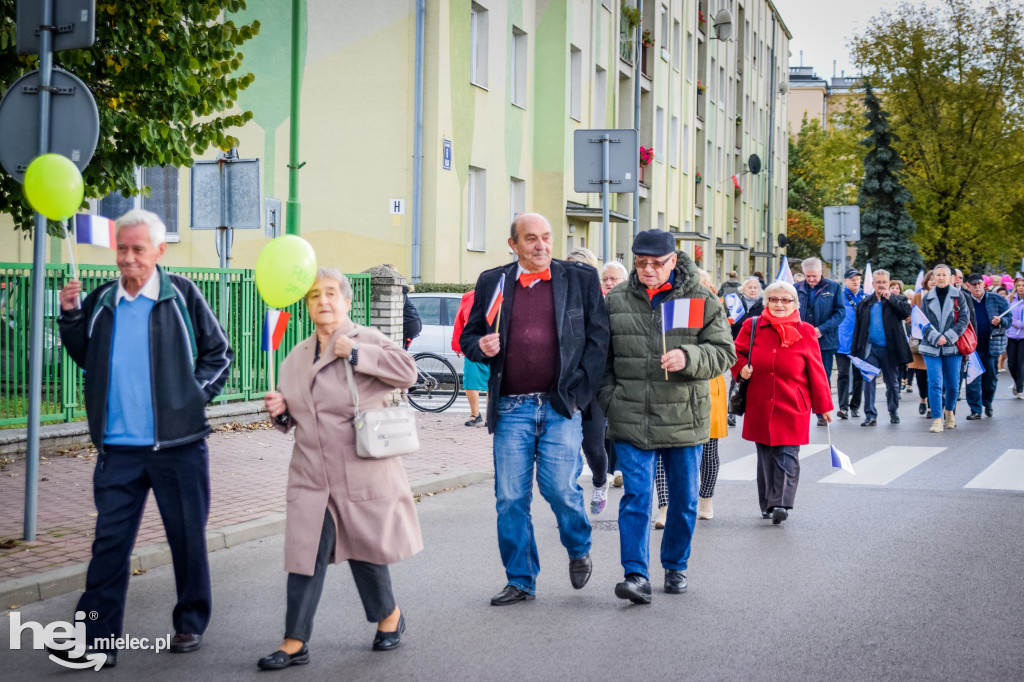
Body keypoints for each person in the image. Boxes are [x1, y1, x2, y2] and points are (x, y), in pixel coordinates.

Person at [53, 209, 234, 667]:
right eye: (122, 249)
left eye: (137, 249)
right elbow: (85, 357)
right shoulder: (102, 299)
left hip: (180, 448)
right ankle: (96, 639)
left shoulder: (183, 296)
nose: (128, 258)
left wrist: (193, 398)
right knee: (109, 545)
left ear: (159, 250)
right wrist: (71, 317)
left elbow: (219, 354)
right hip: (118, 449)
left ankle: (190, 620)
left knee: (186, 539)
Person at [258, 270, 421, 670]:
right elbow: (295, 417)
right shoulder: (295, 356)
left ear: (347, 302)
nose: (323, 301)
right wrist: (280, 414)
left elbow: (408, 373)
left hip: (359, 469)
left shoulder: (366, 339)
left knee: (366, 550)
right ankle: (295, 640)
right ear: (307, 304)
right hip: (311, 473)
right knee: (305, 554)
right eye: (315, 295)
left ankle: (390, 618)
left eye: (331, 294)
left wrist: (356, 354)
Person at [460, 213, 609, 606]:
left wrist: (577, 396)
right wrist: (481, 347)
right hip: (511, 407)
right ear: (513, 245)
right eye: (530, 239)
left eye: (546, 237)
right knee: (510, 498)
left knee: (560, 487)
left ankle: (578, 546)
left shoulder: (579, 279)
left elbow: (598, 341)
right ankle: (521, 578)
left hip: (561, 404)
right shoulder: (494, 282)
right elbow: (470, 336)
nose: (541, 245)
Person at [598, 230, 735, 604]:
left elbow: (724, 352)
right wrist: (610, 399)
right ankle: (636, 575)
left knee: (684, 500)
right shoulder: (616, 300)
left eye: (656, 264)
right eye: (641, 263)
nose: (648, 270)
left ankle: (675, 564)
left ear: (673, 261)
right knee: (637, 498)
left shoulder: (700, 298)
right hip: (631, 416)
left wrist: (689, 358)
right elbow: (602, 360)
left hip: (684, 418)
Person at [732, 281, 833, 524]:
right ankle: (767, 503)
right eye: (774, 299)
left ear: (794, 304)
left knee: (787, 453)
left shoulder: (806, 330)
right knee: (765, 453)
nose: (779, 304)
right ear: (767, 302)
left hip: (793, 402)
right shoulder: (752, 325)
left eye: (785, 300)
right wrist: (741, 369)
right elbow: (736, 352)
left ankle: (781, 504)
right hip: (759, 400)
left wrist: (824, 407)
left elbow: (817, 371)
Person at [652, 268, 730, 526]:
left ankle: (705, 498)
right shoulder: (670, 306)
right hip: (671, 387)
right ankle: (664, 506)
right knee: (663, 451)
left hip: (708, 386)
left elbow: (724, 352)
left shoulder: (714, 310)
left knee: (708, 450)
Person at [567, 247, 612, 513]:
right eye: (570, 265)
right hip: (566, 386)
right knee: (567, 447)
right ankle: (571, 499)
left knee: (593, 447)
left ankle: (599, 480)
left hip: (593, 386)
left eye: (581, 266)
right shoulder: (559, 299)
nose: (574, 271)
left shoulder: (602, 302)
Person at [850, 269, 912, 425]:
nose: (882, 285)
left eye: (884, 282)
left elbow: (905, 313)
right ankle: (870, 415)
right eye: (878, 282)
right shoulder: (865, 303)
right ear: (873, 284)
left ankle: (893, 411)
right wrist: (855, 352)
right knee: (868, 381)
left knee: (892, 382)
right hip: (870, 349)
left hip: (889, 350)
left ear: (889, 283)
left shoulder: (898, 300)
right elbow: (858, 328)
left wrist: (890, 298)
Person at [918, 264, 971, 433]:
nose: (941, 278)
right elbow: (922, 321)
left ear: (951, 278)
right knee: (935, 383)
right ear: (933, 278)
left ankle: (949, 412)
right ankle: (936, 419)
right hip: (931, 346)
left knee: (953, 384)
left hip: (952, 347)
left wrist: (947, 337)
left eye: (944, 275)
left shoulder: (959, 296)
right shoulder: (927, 298)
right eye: (938, 275)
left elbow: (964, 320)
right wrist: (936, 337)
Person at [794, 258, 845, 426]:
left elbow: (839, 313)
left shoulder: (833, 287)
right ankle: (800, 411)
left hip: (824, 341)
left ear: (820, 272)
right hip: (800, 341)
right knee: (799, 377)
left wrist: (821, 329)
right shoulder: (796, 289)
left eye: (814, 276)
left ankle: (822, 413)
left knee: (823, 377)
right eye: (808, 276)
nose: (811, 280)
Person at [964, 273, 1009, 419]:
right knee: (972, 380)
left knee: (990, 379)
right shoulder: (964, 301)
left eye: (979, 284)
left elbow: (1008, 318)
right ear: (968, 286)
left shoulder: (997, 299)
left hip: (991, 346)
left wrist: (1001, 321)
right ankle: (975, 410)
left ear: (984, 284)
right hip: (971, 348)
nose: (977, 287)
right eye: (974, 284)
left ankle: (987, 403)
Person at [600, 261, 629, 487]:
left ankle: (618, 468)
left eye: (613, 279)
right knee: (604, 425)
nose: (608, 283)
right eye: (605, 279)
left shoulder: (629, 304)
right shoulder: (597, 303)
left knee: (619, 424)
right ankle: (607, 468)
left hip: (624, 371)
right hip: (602, 373)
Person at [727, 277, 763, 427]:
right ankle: (732, 411)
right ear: (744, 289)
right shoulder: (735, 305)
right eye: (750, 287)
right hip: (738, 347)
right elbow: (725, 326)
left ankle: (754, 412)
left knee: (755, 381)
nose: (753, 290)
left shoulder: (763, 306)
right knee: (736, 378)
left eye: (755, 288)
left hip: (757, 348)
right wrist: (730, 322)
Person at [452, 290, 490, 427]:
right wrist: (457, 344)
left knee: (493, 384)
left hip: (495, 346)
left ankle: (490, 417)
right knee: (470, 381)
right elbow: (459, 321)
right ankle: (475, 415)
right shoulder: (468, 297)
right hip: (473, 346)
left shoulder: (502, 295)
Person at [835, 268, 866, 420]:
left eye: (857, 279)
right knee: (843, 375)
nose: (855, 281)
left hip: (860, 343)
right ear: (845, 281)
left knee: (859, 375)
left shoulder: (865, 297)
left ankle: (855, 406)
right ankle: (843, 407)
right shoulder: (839, 297)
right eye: (852, 278)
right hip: (842, 343)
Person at [908, 271, 934, 416]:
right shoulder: (919, 296)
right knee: (921, 376)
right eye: (930, 279)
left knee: (933, 376)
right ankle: (923, 399)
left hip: (934, 342)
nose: (933, 281)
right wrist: (916, 321)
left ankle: (931, 406)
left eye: (934, 279)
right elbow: (909, 316)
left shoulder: (940, 296)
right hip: (919, 342)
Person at [1007, 276, 1024, 399]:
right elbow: (1006, 313)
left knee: (1020, 363)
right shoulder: (1010, 299)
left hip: (1023, 336)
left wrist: (1020, 324)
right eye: (1019, 286)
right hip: (1012, 335)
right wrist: (1014, 322)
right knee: (1011, 364)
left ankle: (1020, 388)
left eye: (1023, 286)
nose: (1021, 288)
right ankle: (1017, 381)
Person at [401, 284, 422, 349]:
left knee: (400, 350)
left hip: (410, 325)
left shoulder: (401, 293)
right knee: (403, 350)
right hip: (414, 324)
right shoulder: (403, 293)